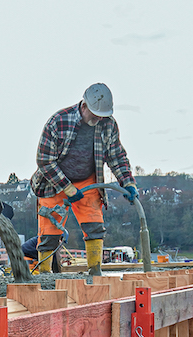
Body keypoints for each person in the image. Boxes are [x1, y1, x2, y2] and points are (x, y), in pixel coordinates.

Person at [30, 83, 137, 277]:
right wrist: (68, 189)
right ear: (84, 106)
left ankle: (95, 271)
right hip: (53, 182)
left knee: (94, 225)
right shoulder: (59, 121)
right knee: (49, 231)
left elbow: (116, 156)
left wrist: (127, 182)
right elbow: (44, 161)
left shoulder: (108, 124)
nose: (98, 118)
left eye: (102, 115)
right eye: (95, 114)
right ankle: (44, 275)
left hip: (87, 181)